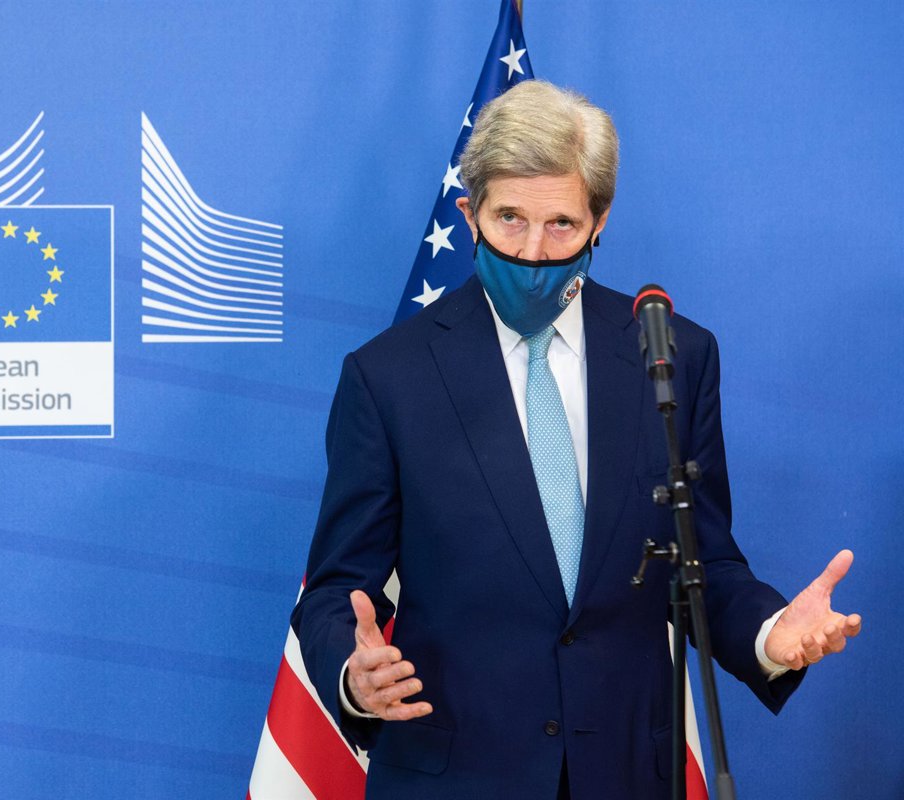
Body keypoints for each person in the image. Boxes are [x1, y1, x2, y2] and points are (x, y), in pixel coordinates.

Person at [290, 80, 861, 799]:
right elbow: (337, 587)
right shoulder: (387, 377)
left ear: (599, 221)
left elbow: (703, 561)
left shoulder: (671, 356)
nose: (532, 251)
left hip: (627, 775)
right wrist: (353, 673)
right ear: (469, 215)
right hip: (454, 775)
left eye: (561, 223)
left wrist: (768, 634)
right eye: (509, 219)